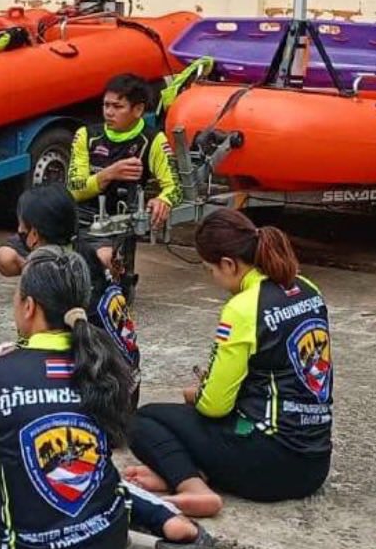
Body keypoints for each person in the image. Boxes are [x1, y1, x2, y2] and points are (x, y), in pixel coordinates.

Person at [0, 245, 210, 549]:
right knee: (100, 478)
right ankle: (166, 518)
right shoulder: (104, 365)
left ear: (29, 306)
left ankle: (158, 518)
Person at [126, 209, 331, 517]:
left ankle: (192, 487)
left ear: (228, 264)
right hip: (314, 464)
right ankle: (188, 472)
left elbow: (214, 406)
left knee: (141, 420)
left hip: (271, 465)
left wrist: (196, 393)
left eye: (210, 270)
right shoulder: (307, 289)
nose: (213, 279)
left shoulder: (243, 307)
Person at [0, 186, 140, 440]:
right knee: (2, 353)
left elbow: (41, 356)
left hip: (91, 407)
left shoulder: (48, 276)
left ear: (33, 235)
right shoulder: (85, 258)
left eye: (21, 227)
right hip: (121, 398)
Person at [66, 73, 180, 245]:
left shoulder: (154, 140)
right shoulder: (86, 135)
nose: (109, 113)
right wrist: (108, 174)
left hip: (122, 225)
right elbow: (73, 189)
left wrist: (163, 200)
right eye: (106, 105)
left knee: (103, 256)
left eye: (118, 107)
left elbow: (175, 188)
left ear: (138, 110)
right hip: (80, 218)